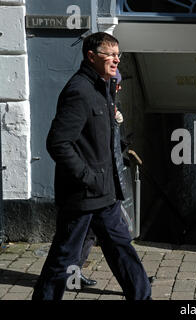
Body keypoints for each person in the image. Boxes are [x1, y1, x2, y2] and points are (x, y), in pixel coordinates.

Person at [32, 32, 151, 300]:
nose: (116, 60)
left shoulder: (104, 88)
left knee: (123, 249)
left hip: (105, 195)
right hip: (82, 197)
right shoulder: (79, 91)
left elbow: (102, 138)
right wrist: (88, 177)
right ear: (91, 57)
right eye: (110, 55)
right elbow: (58, 143)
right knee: (63, 259)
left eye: (118, 54)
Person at [72, 69, 125, 289]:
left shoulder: (109, 104)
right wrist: (89, 176)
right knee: (102, 237)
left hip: (106, 182)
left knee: (94, 236)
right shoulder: (86, 97)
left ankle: (135, 281)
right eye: (116, 83)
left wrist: (117, 124)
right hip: (96, 184)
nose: (119, 88)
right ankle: (136, 283)